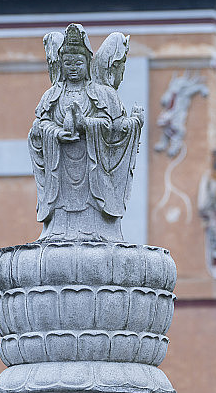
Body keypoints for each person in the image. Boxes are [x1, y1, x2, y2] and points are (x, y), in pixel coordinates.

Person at [28, 23, 143, 242]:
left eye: (78, 63)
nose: (73, 68)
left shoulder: (102, 95)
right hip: (60, 178)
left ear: (88, 64)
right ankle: (59, 228)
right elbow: (39, 127)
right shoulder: (52, 96)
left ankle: (98, 228)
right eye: (68, 63)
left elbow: (113, 128)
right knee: (61, 221)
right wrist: (55, 133)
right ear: (61, 64)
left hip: (93, 177)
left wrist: (87, 124)